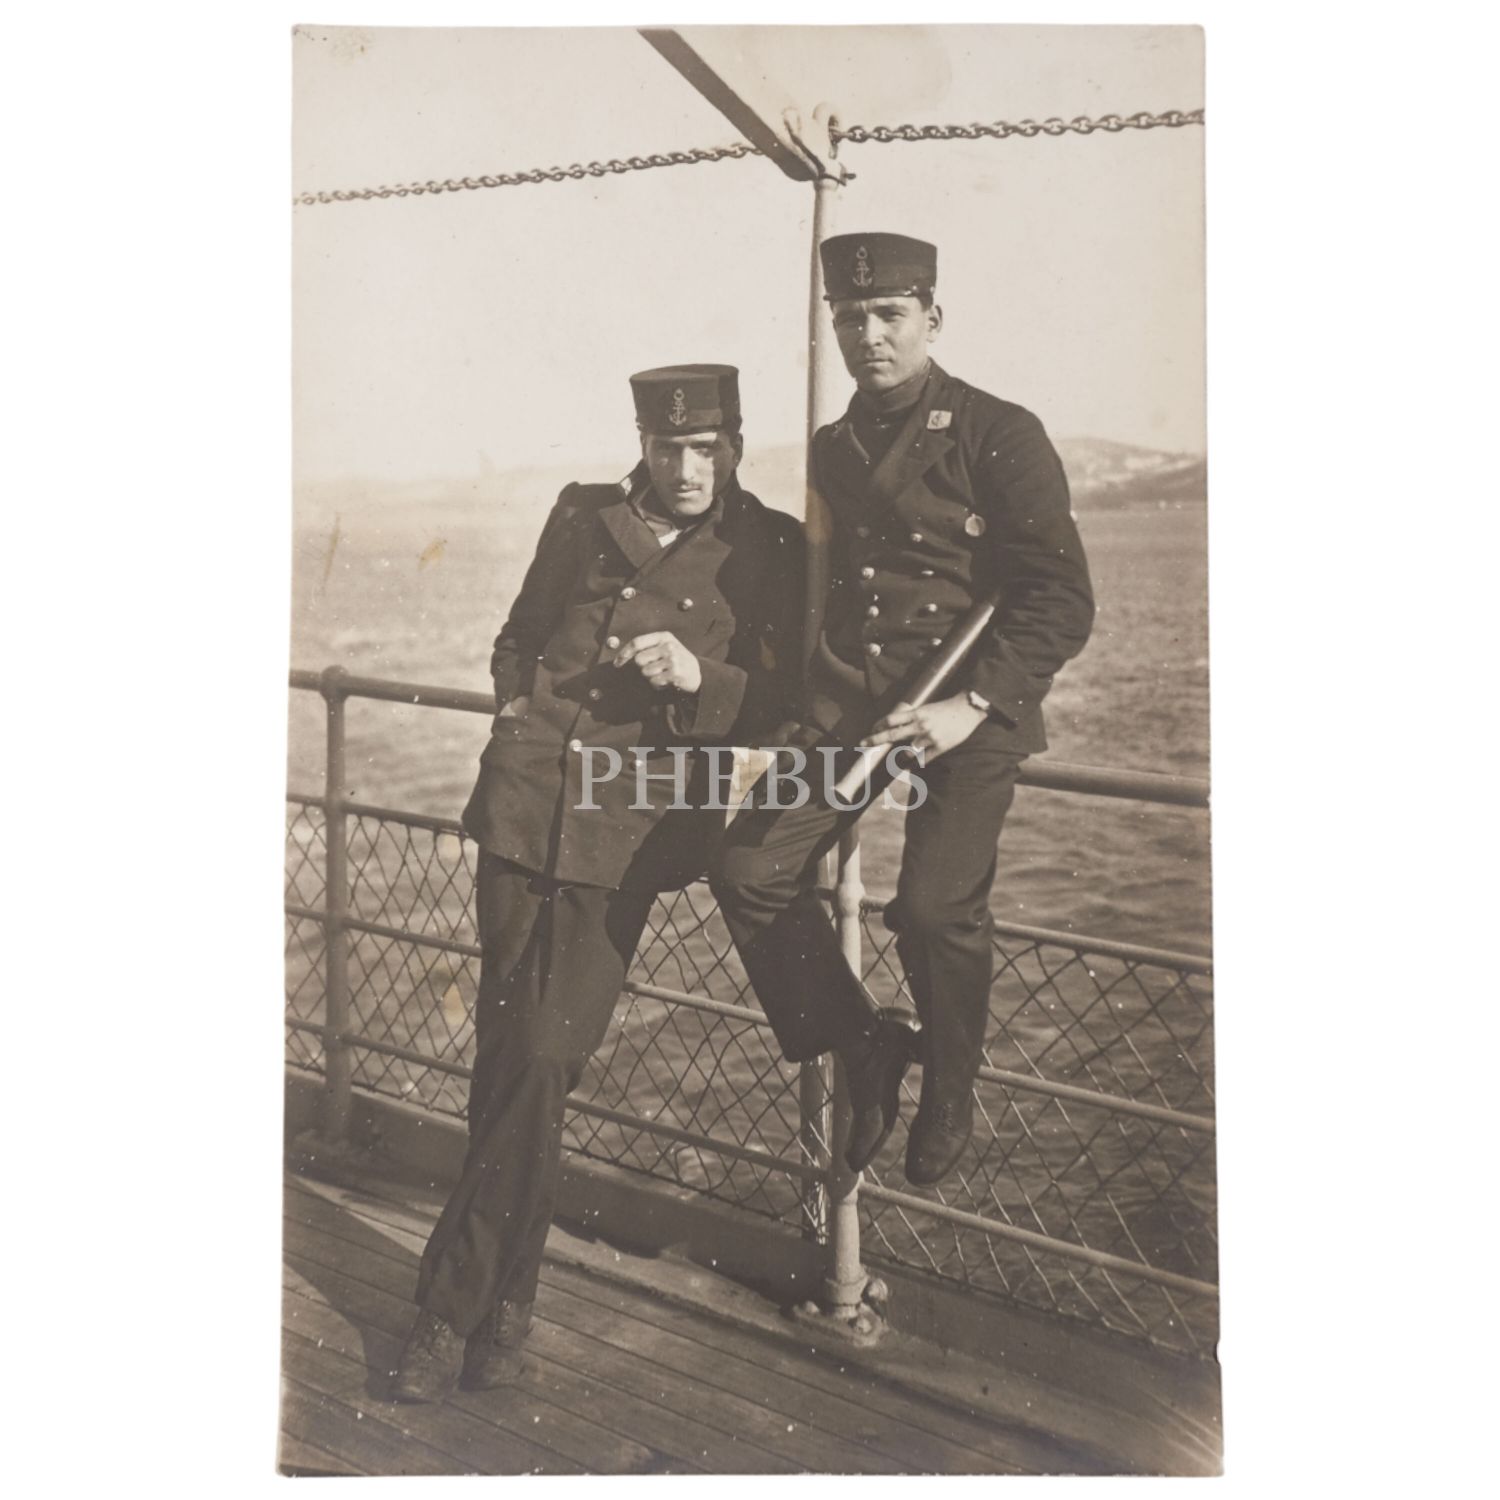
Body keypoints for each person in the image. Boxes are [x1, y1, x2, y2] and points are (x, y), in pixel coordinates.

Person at [392, 364, 803, 1403]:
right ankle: (508, 1312)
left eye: (706, 448)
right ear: (643, 442)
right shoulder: (581, 515)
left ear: (736, 445)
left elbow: (790, 702)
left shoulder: (770, 546)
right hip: (523, 806)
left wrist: (703, 679)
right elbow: (518, 636)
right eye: (668, 448)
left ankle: (448, 1305)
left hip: (625, 829)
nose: (687, 468)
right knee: (509, 1066)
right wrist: (511, 713)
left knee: (540, 1057)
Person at [711, 232, 1095, 1188]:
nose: (869, 336)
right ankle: (865, 1043)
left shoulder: (998, 433)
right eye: (850, 319)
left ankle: (951, 1084)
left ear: (932, 317)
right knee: (750, 866)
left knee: (930, 909)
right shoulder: (833, 448)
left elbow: (1061, 598)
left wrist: (974, 703)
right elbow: (829, 590)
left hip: (966, 709)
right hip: (857, 707)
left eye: (889, 315)